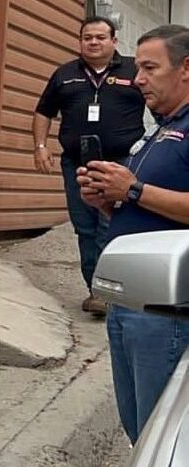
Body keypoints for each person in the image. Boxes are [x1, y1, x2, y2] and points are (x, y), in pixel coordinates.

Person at [78, 24, 189, 444]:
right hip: (128, 305)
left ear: (186, 68)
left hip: (164, 314)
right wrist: (108, 200)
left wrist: (135, 188)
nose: (137, 78)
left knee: (160, 440)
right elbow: (144, 206)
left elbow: (144, 195)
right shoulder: (159, 129)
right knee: (137, 431)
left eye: (149, 67)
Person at [33, 17, 145, 315]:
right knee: (85, 226)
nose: (93, 42)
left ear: (114, 41)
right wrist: (41, 146)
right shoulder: (64, 74)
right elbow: (43, 112)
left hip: (122, 161)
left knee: (113, 225)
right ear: (80, 41)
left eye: (100, 37)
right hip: (78, 163)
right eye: (87, 38)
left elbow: (162, 104)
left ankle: (115, 289)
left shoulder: (135, 71)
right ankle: (96, 291)